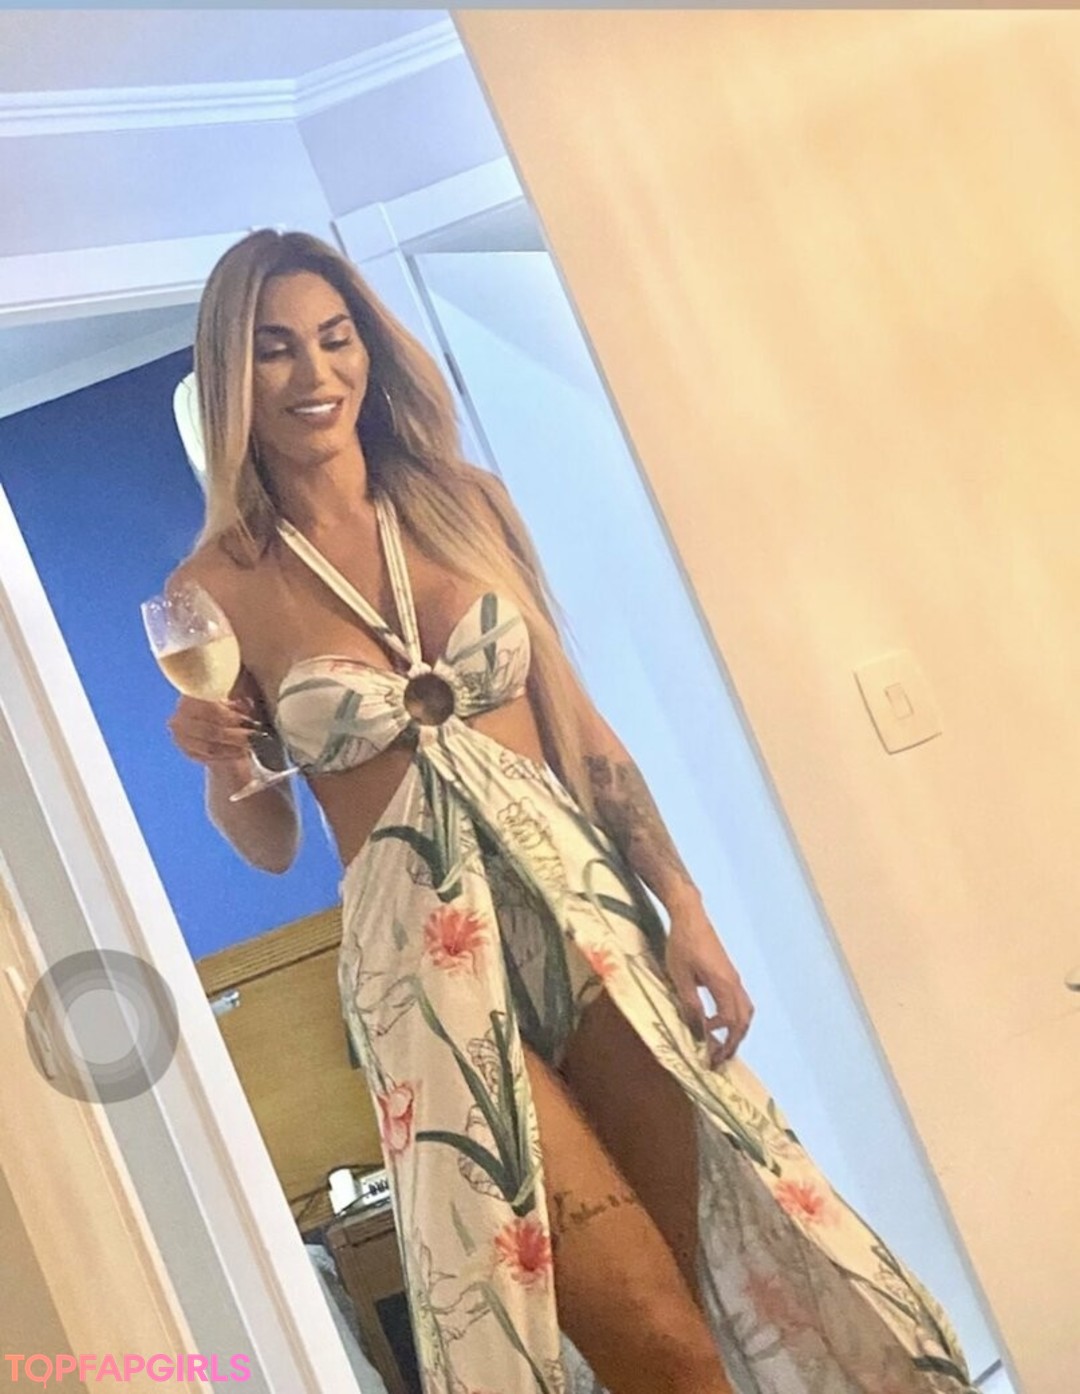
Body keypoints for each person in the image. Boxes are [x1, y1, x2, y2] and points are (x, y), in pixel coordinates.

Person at [165, 229, 975, 1394]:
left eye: (336, 338)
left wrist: (685, 903)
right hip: (425, 970)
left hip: (584, 918)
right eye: (275, 349)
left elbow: (581, 726)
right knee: (651, 1334)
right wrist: (218, 756)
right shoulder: (216, 585)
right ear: (233, 377)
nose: (314, 373)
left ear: (370, 350)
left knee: (721, 1282)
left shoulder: (465, 503)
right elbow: (270, 841)